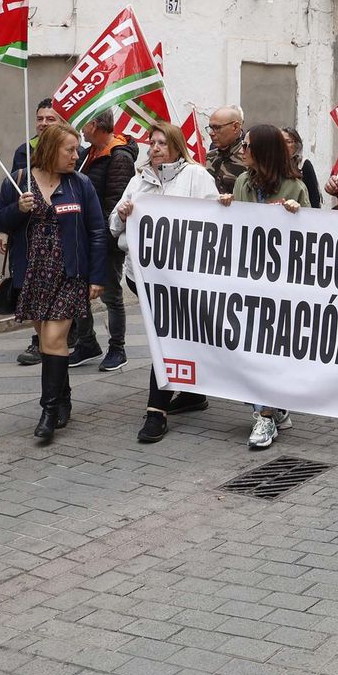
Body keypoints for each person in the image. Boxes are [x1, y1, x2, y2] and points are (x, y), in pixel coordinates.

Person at [0, 123, 107, 446]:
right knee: (48, 342)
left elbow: (96, 231)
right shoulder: (19, 181)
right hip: (33, 274)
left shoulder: (80, 184)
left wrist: (97, 276)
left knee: (55, 338)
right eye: (69, 149)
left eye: (77, 148)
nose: (76, 155)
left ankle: (48, 412)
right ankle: (65, 396)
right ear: (50, 149)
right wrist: (18, 209)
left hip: (70, 275)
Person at [111, 121, 220, 444]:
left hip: (181, 276)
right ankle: (191, 394)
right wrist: (123, 213)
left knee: (166, 338)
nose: (155, 148)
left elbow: (215, 218)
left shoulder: (196, 176)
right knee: (172, 336)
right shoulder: (138, 180)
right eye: (152, 142)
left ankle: (155, 411)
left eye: (161, 143)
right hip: (142, 276)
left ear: (175, 146)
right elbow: (115, 226)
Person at [217, 125, 308, 450]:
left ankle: (265, 416)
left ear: (264, 151)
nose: (242, 150)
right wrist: (225, 209)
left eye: (248, 145)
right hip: (247, 281)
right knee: (249, 352)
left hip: (281, 286)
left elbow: (313, 237)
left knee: (271, 351)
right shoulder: (242, 182)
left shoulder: (295, 187)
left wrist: (297, 216)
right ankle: (275, 409)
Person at [70, 111, 136, 372]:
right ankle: (87, 343)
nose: (81, 131)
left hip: (104, 239)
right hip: (83, 236)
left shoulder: (118, 156)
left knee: (110, 294)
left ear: (95, 125)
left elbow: (115, 201)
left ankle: (117, 348)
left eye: (83, 124)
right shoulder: (88, 153)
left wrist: (102, 241)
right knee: (78, 291)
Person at [0, 98, 64, 367]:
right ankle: (42, 342)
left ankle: (82, 338)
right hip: (30, 240)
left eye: (50, 119)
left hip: (61, 241)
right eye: (40, 118)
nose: (43, 123)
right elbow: (9, 197)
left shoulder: (74, 152)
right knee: (36, 293)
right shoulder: (23, 152)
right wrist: (5, 229)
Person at [205, 105, 246, 195]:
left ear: (235, 127)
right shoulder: (208, 157)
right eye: (211, 128)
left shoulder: (249, 158)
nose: (211, 133)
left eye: (217, 128)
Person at [282, 127, 321, 208]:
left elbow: (314, 196)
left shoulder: (304, 165)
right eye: (280, 141)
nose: (282, 145)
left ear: (296, 145)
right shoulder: (273, 165)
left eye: (288, 142)